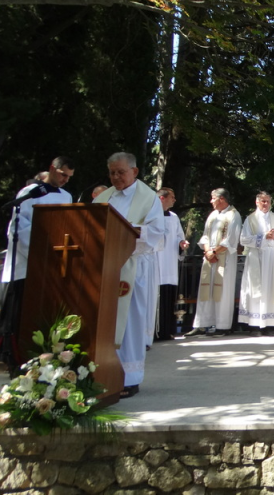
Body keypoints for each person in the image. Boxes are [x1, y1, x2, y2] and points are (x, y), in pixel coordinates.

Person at [94, 152, 165, 398]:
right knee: (105, 321)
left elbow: (157, 232)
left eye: (121, 172)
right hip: (105, 268)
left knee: (130, 322)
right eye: (112, 172)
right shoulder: (104, 198)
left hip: (133, 266)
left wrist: (127, 232)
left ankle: (129, 377)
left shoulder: (149, 198)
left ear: (134, 172)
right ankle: (101, 373)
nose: (116, 177)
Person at [0, 156, 75, 368]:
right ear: (52, 168)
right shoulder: (29, 194)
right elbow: (18, 229)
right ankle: (11, 356)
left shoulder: (67, 196)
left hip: (54, 266)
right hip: (26, 264)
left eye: (69, 177)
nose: (66, 180)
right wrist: (40, 252)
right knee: (19, 311)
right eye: (62, 174)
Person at [187, 189, 242, 337]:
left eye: (213, 198)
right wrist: (207, 251)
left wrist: (214, 252)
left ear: (222, 199)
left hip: (225, 259)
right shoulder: (213, 215)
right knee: (205, 290)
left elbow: (231, 240)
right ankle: (202, 324)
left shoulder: (234, 215)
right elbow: (205, 236)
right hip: (210, 258)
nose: (210, 201)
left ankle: (222, 325)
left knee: (222, 292)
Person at [238, 191, 274, 335]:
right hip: (256, 258)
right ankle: (254, 325)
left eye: (268, 201)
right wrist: (262, 237)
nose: (265, 204)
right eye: (263, 201)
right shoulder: (250, 219)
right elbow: (243, 239)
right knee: (255, 290)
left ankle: (270, 325)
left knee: (272, 289)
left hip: (272, 258)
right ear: (257, 202)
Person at [155, 188, 188, 342]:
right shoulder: (150, 215)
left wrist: (182, 242)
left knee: (168, 296)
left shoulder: (174, 217)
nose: (175, 200)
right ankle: (154, 331)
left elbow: (179, 236)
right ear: (162, 198)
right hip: (155, 263)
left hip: (169, 264)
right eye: (172, 197)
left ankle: (167, 331)